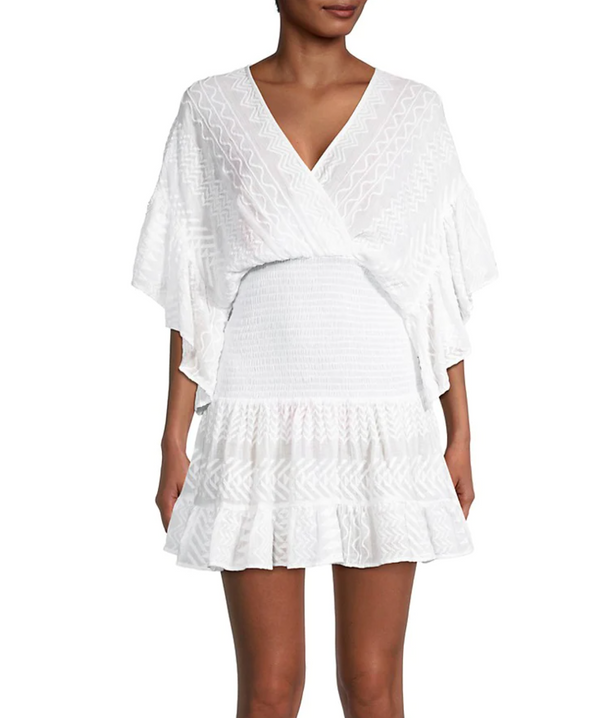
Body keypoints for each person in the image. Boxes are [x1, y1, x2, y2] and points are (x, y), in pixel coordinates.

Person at [131, 1, 498, 715]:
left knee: (371, 680)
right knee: (270, 686)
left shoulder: (415, 110)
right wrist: (173, 436)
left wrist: (461, 431)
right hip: (255, 414)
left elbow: (434, 286)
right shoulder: (211, 108)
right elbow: (194, 286)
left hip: (381, 412)